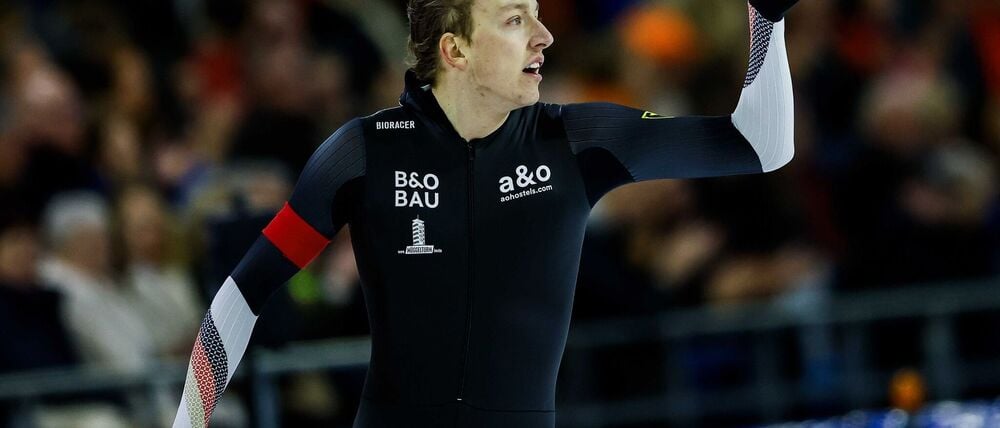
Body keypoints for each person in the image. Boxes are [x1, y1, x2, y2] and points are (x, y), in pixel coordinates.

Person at [173, 0, 800, 426]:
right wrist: (189, 420)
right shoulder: (362, 153)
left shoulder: (577, 140)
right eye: (513, 19)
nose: (544, 35)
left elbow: (761, 146)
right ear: (456, 50)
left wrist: (764, 18)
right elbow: (240, 296)